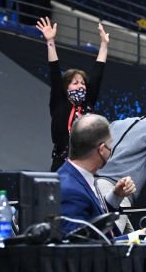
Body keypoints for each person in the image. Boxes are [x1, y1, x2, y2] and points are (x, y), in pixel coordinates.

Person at [35, 17, 109, 171]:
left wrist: (104, 45)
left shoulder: (87, 102)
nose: (80, 86)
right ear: (66, 87)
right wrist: (50, 41)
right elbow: (54, 70)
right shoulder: (59, 102)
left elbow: (98, 74)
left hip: (86, 164)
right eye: (75, 83)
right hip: (62, 163)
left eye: (82, 83)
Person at [58, 115, 135, 234]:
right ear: (102, 149)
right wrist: (137, 236)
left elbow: (92, 217)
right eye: (110, 146)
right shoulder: (71, 191)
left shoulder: (77, 178)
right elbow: (82, 248)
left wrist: (116, 196)